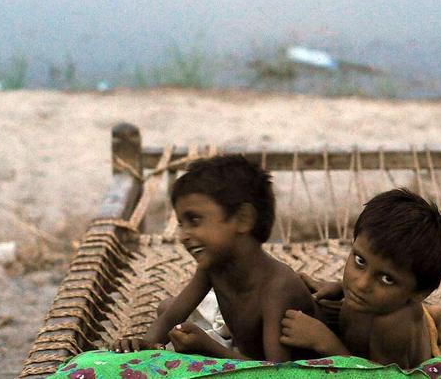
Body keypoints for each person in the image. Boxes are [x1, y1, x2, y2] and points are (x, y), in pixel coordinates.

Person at [111, 155, 316, 362]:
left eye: (195, 220)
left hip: (264, 367)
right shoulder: (215, 264)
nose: (183, 236)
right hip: (242, 354)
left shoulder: (277, 288)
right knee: (167, 307)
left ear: (243, 219)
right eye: (182, 224)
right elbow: (172, 316)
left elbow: (278, 373)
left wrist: (207, 348)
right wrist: (143, 346)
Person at [280, 188, 441, 369]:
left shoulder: (391, 327)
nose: (361, 284)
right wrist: (340, 287)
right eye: (360, 261)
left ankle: (433, 327)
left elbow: (378, 375)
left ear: (420, 293)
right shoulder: (373, 297)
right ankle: (433, 317)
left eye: (387, 279)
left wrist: (324, 341)